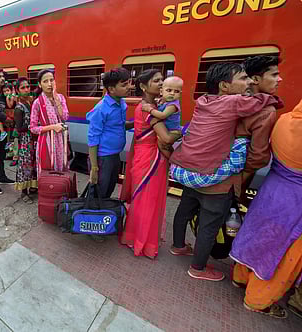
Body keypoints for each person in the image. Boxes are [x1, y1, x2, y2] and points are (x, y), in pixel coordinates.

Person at [169, 62, 281, 282]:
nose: (248, 82)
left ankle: (178, 246)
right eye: (242, 78)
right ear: (224, 86)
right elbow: (257, 157)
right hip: (216, 180)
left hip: (190, 171)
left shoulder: (204, 101)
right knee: (209, 225)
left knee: (184, 210)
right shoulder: (243, 106)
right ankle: (198, 268)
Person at [230, 99, 302, 319]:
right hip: (296, 202)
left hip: (271, 189)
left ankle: (240, 278)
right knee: (280, 252)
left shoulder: (283, 119)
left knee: (258, 236)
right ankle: (258, 300)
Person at [119, 69, 181, 258]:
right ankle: (141, 242)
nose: (161, 84)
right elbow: (166, 138)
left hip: (149, 155)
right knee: (146, 200)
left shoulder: (157, 105)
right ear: (143, 86)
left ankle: (139, 238)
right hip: (150, 159)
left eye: (162, 80)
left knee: (147, 199)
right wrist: (178, 134)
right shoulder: (147, 108)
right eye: (156, 81)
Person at [87, 68, 134, 199]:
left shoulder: (121, 103)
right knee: (98, 191)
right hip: (103, 157)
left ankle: (101, 215)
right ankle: (92, 216)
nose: (129, 87)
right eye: (124, 85)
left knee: (108, 189)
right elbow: (92, 138)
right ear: (112, 89)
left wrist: (138, 122)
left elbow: (119, 126)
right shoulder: (101, 109)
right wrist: (94, 168)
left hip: (114, 155)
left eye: (129, 83)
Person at [30, 69, 69, 177]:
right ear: (40, 84)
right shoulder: (37, 103)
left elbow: (65, 117)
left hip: (61, 140)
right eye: (45, 81)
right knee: (48, 170)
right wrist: (52, 127)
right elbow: (33, 128)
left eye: (51, 80)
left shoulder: (60, 98)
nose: (49, 84)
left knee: (61, 168)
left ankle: (60, 192)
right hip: (46, 141)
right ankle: (49, 192)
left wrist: (56, 99)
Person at [14, 77, 37, 203]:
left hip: (34, 140)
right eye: (23, 88)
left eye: (28, 87)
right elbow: (19, 128)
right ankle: (24, 192)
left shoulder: (31, 103)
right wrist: (31, 126)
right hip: (25, 142)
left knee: (34, 164)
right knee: (25, 166)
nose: (26, 89)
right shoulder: (19, 108)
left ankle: (33, 186)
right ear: (18, 90)